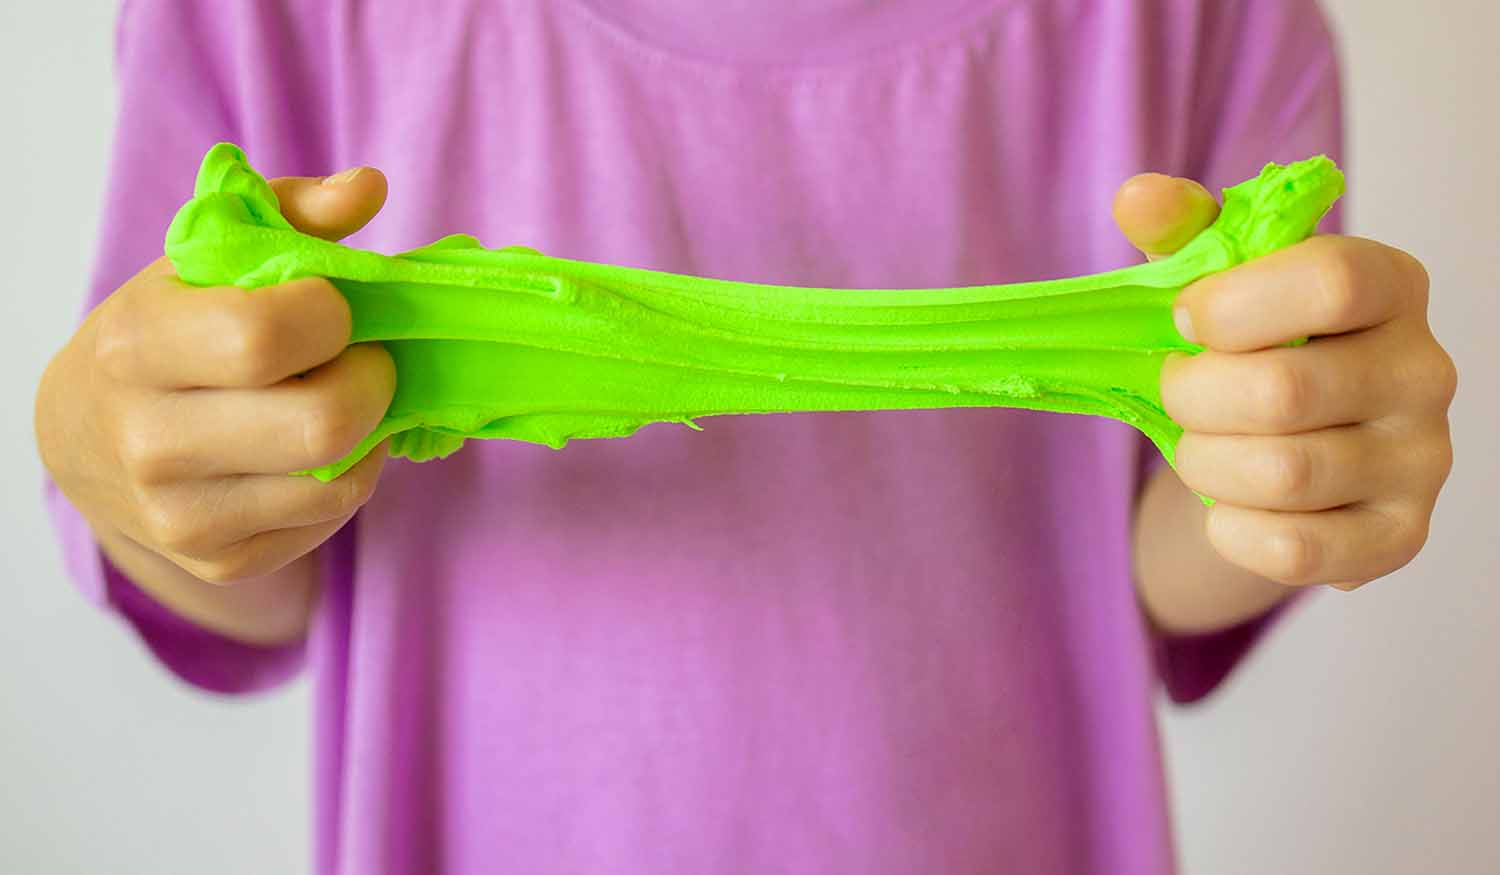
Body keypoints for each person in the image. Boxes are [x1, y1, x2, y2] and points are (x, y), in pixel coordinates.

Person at [34, 1, 1455, 873]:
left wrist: (1288, 465)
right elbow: (238, 559)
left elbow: (1161, 565)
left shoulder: (1206, 20)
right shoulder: (264, 14)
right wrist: (120, 461)